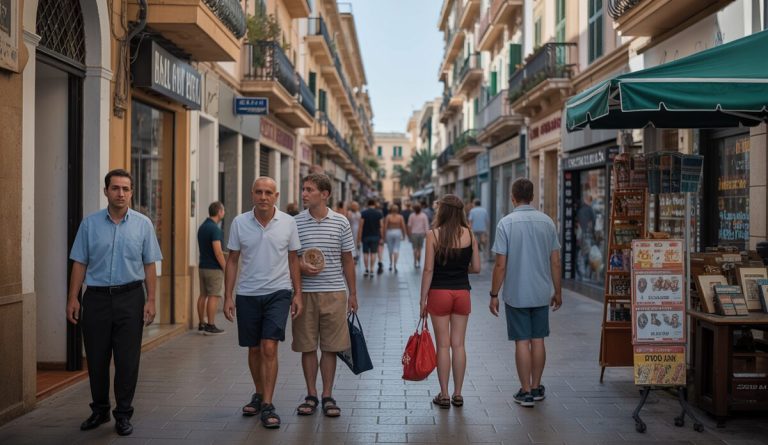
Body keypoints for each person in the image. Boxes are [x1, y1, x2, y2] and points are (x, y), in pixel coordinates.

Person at [66, 169, 162, 436]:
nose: (121, 193)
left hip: (131, 297)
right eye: (115, 188)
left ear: (132, 192)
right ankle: (99, 410)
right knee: (96, 359)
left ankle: (123, 414)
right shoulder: (90, 224)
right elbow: (80, 262)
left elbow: (149, 265)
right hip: (95, 299)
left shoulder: (143, 224)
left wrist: (151, 299)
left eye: (126, 189)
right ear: (106, 191)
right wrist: (73, 298)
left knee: (127, 360)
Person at [223, 177, 303, 429]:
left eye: (268, 192)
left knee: (269, 346)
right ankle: (258, 394)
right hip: (247, 293)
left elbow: (293, 260)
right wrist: (227, 296)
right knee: (254, 349)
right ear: (252, 194)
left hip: (278, 292)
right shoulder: (239, 222)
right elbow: (233, 260)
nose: (263, 196)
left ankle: (268, 403)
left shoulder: (288, 223)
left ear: (276, 195)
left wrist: (297, 293)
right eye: (259, 192)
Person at [489, 178, 562, 408]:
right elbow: (555, 261)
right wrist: (557, 291)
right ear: (532, 196)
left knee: (522, 341)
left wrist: (493, 294)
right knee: (538, 338)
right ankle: (538, 386)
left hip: (517, 293)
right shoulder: (547, 222)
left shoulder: (506, 223)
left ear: (513, 197)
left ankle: (526, 391)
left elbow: (500, 264)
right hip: (540, 292)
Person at [293, 173, 358, 417]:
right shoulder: (295, 222)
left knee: (330, 348)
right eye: (303, 189)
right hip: (305, 293)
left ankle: (327, 395)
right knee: (307, 347)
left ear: (325, 194)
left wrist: (353, 294)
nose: (304, 194)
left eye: (309, 189)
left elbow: (348, 260)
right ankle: (311, 394)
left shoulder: (341, 222)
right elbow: (290, 258)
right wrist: (300, 266)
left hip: (334, 293)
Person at [419, 195, 480, 409]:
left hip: (439, 293)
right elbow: (477, 267)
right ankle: (458, 394)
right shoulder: (470, 234)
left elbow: (428, 269)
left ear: (442, 211)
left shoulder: (433, 235)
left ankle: (443, 394)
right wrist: (460, 269)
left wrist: (422, 299)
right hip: (462, 293)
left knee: (443, 345)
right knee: (459, 344)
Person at [196, 201, 226, 335]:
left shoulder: (202, 227)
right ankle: (211, 325)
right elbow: (218, 252)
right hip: (213, 268)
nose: (223, 213)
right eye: (223, 210)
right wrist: (225, 267)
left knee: (203, 295)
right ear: (219, 211)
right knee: (213, 296)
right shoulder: (215, 229)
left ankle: (201, 323)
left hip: (202, 266)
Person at [358, 199, 384, 277]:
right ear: (374, 204)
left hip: (365, 236)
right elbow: (381, 227)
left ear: (367, 204)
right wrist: (382, 237)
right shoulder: (379, 213)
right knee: (373, 253)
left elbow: (361, 226)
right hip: (375, 236)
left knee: (365, 253)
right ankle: (372, 269)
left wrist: (358, 238)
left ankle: (366, 270)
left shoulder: (363, 213)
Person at [383, 204, 407, 272]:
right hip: (398, 232)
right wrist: (404, 235)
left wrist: (384, 236)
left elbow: (385, 226)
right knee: (396, 248)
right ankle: (395, 265)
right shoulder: (400, 217)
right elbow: (403, 226)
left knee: (390, 249)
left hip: (389, 232)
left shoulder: (388, 216)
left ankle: (390, 263)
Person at [407, 203, 430, 268]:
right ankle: (419, 262)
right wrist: (426, 234)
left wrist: (409, 234)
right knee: (420, 249)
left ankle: (415, 261)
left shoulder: (412, 215)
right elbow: (426, 225)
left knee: (414, 249)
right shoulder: (424, 216)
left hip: (414, 234)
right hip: (421, 234)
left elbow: (409, 225)